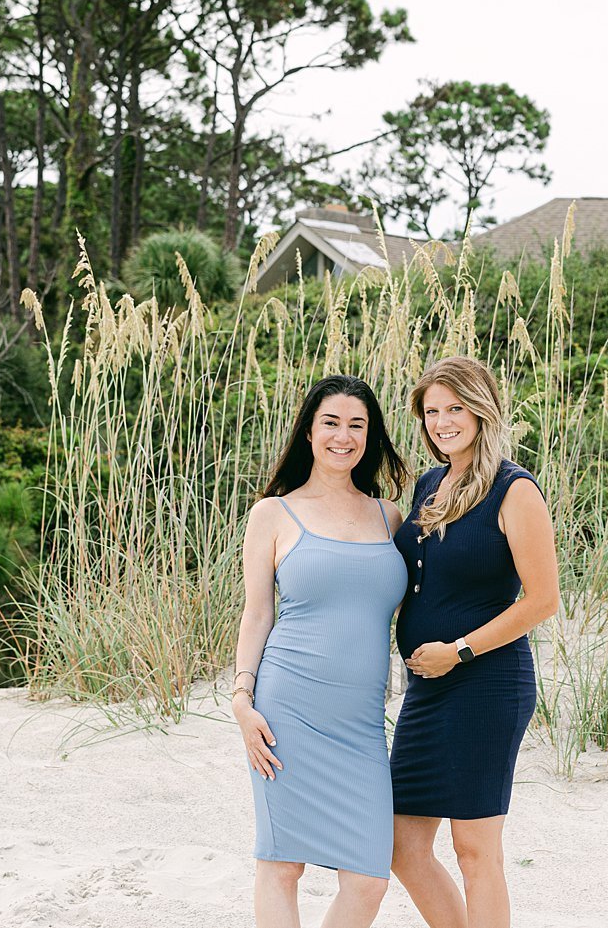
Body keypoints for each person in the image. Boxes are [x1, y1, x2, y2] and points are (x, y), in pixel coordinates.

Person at [231, 375, 409, 928]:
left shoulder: (390, 516)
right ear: (309, 431)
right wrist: (241, 697)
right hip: (287, 709)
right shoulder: (273, 514)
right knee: (283, 865)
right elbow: (257, 612)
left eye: (357, 425)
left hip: (360, 723)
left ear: (370, 436)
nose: (343, 435)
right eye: (331, 422)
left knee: (369, 878)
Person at [389, 356, 560, 928]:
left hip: (485, 684)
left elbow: (541, 600)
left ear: (481, 410)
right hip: (426, 689)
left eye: (455, 408)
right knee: (402, 846)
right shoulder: (430, 483)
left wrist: (458, 650)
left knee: (475, 850)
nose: (442, 422)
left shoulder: (515, 489)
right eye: (432, 411)